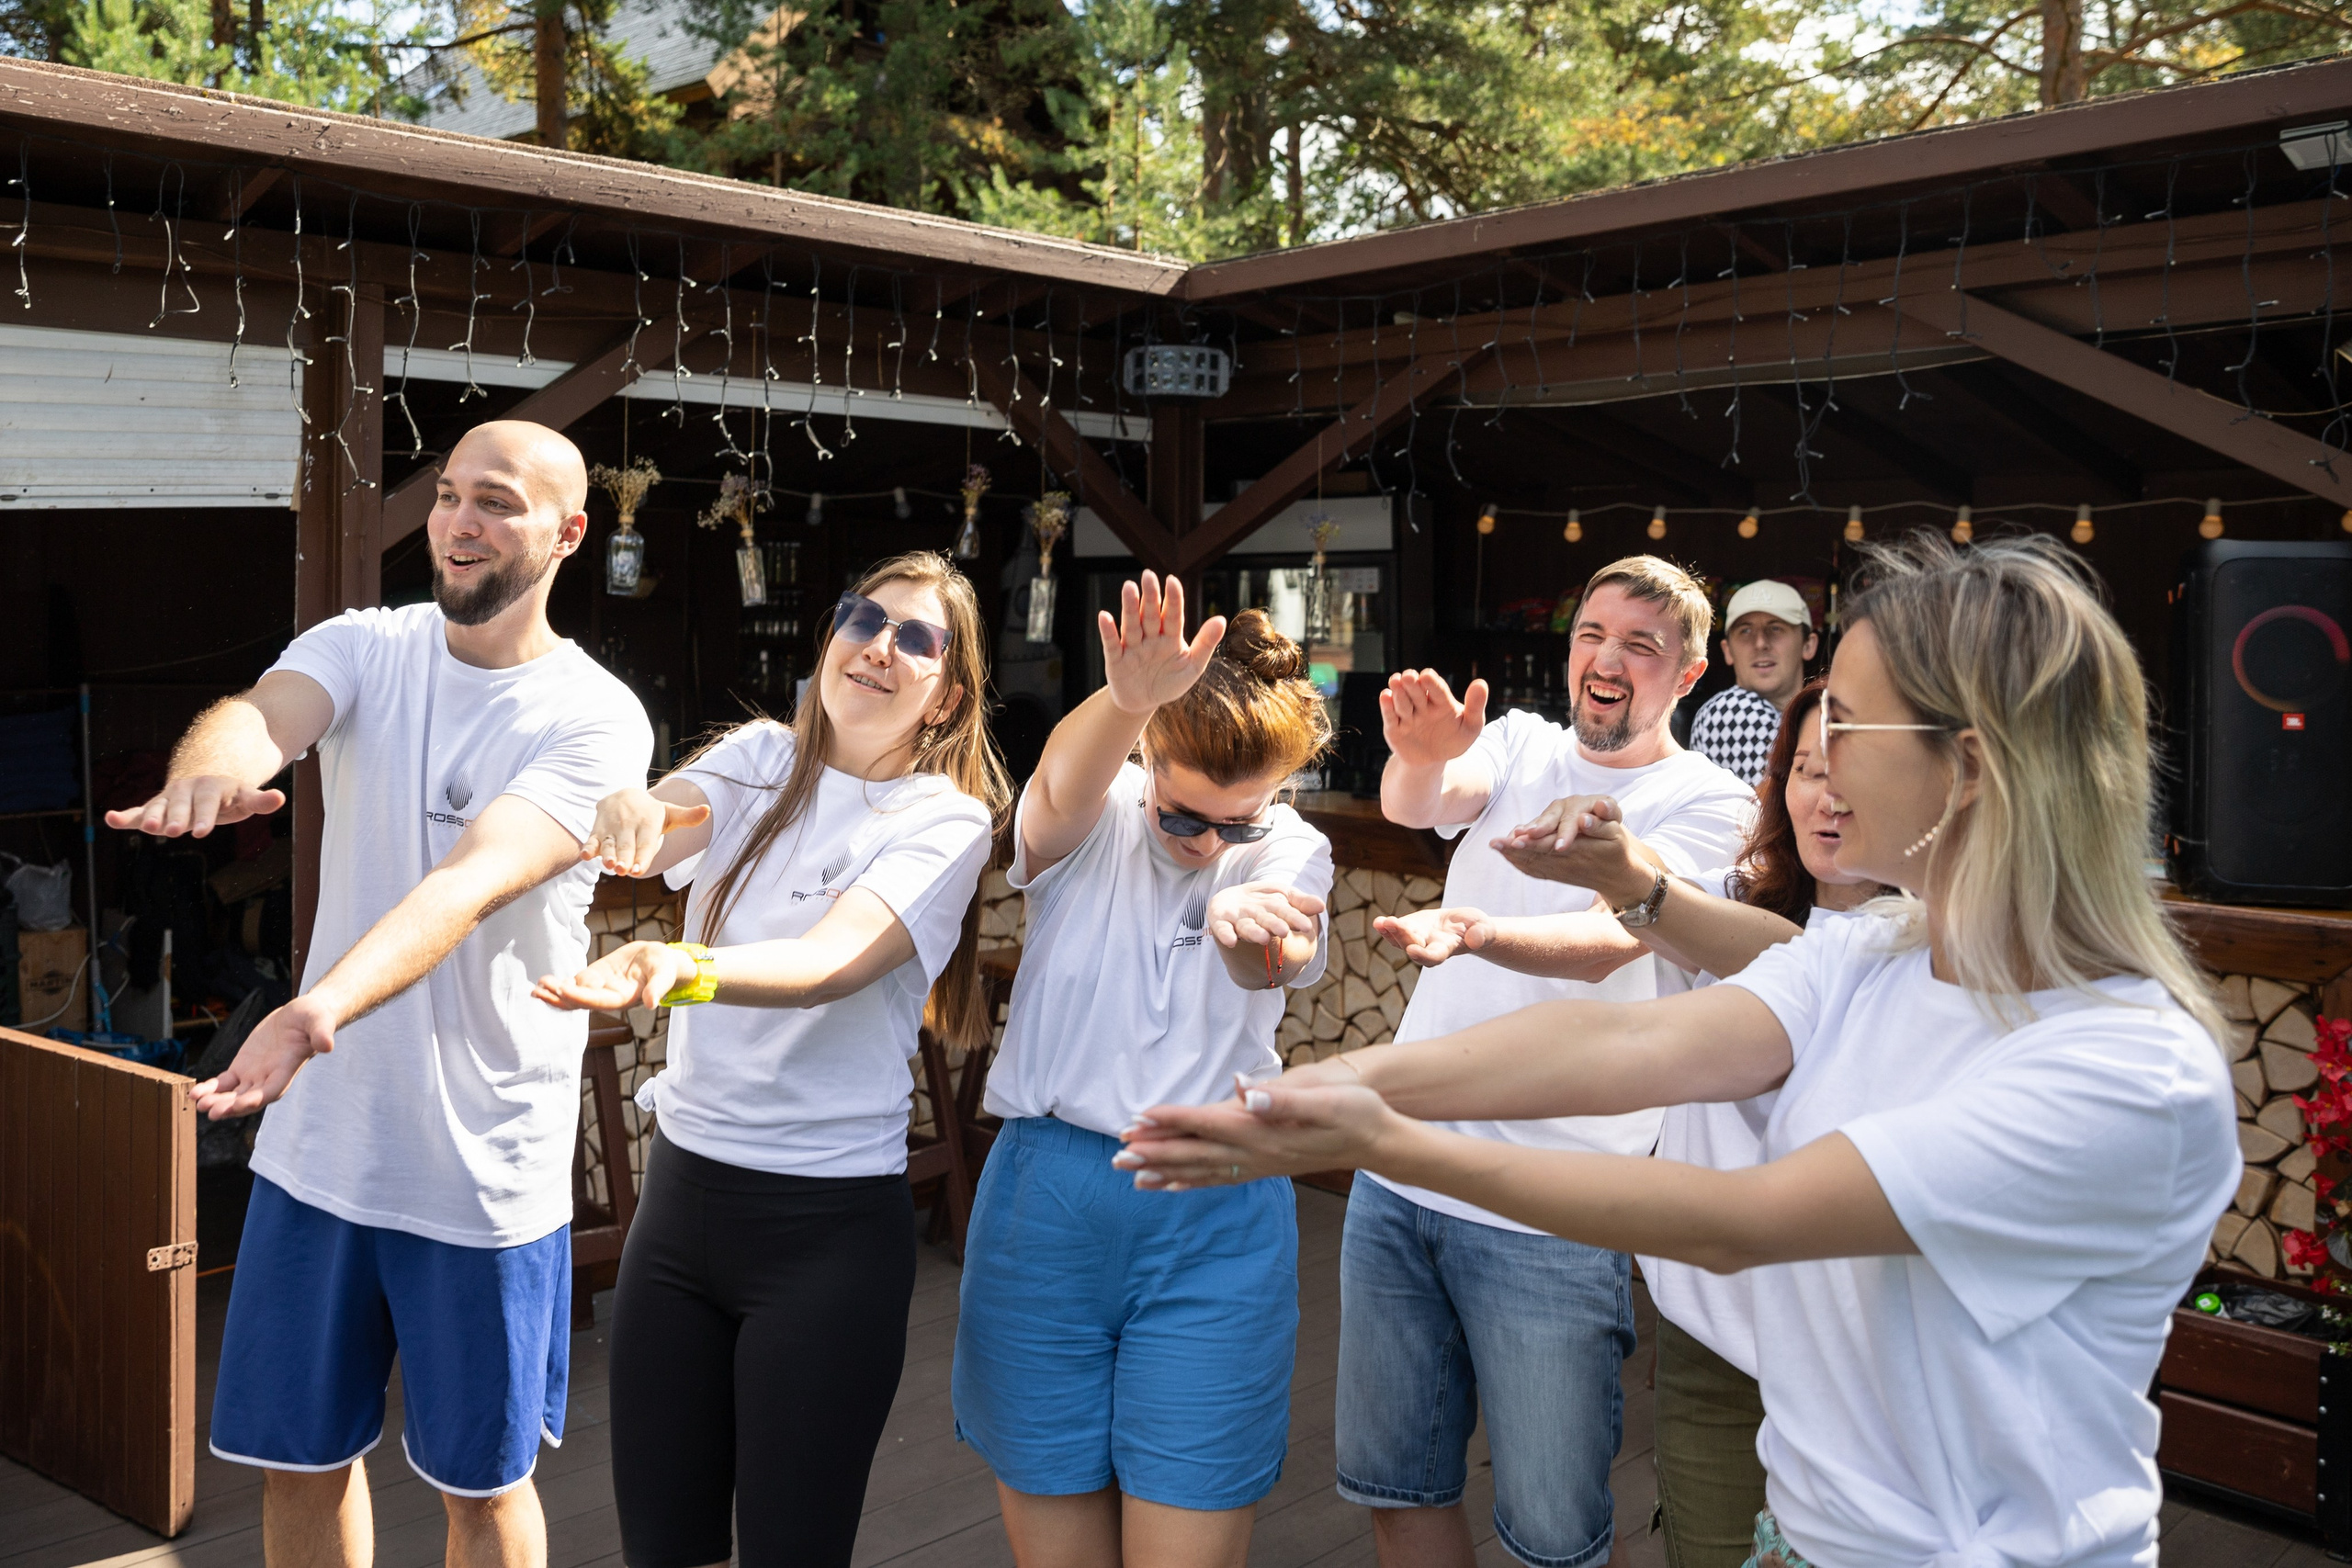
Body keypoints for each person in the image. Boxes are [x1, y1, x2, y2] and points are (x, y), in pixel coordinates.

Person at [1120, 534, 2241, 1568]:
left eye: (1844, 723)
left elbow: (1737, 1223)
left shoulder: (2122, 1067)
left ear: (1975, 762)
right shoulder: (1872, 951)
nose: (1811, 761)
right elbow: (1630, 1041)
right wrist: (1333, 1083)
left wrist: (1382, 1135)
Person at [105, 421, 652, 1568]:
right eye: (449, 495)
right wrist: (210, 775)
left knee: (482, 1491)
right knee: (298, 1460)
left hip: (479, 1169)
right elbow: (267, 711)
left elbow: (463, 886)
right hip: (323, 1154)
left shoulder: (595, 720)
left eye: (496, 502)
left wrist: (314, 1012)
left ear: (568, 532)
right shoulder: (368, 641)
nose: (459, 521)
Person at [532, 551, 1006, 1568]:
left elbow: (828, 963)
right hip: (681, 1209)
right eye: (862, 617)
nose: (879, 646)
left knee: (793, 1550)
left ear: (946, 697)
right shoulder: (753, 758)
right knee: (662, 1545)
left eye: (915, 639)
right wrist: (629, 808)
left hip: (826, 1234)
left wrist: (674, 966)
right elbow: (665, 825)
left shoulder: (945, 820)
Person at [1345, 555, 1754, 1568]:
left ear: (1687, 674)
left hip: (1558, 1206)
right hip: (1398, 1177)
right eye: (1592, 634)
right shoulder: (1521, 741)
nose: (1607, 659)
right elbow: (1420, 799)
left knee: (1553, 1532)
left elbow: (1623, 936)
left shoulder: (1712, 803)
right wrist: (1425, 755)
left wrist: (1479, 930)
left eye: (1640, 645)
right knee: (1397, 1488)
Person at [952, 572, 1334, 1568]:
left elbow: (1274, 951)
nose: (1208, 842)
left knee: (1192, 1520)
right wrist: (1126, 701)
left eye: (1235, 825)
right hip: (1050, 1196)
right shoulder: (1099, 815)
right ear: (1150, 766)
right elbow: (1059, 789)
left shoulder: (1291, 848)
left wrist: (1247, 934)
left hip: (1215, 1204)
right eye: (1183, 817)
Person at [1496, 678, 1885, 1568]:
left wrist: (1637, 884)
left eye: (1856, 771)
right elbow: (1660, 956)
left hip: (1866, 1356)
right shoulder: (1733, 887)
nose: (1826, 797)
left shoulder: (1934, 944)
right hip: (1715, 1343)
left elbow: (1808, 971)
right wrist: (1611, 864)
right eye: (1805, 770)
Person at [1688, 581, 1818, 784]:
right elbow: (1788, 807)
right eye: (1745, 631)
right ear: (1727, 651)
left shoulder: (1811, 715)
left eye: (1775, 628)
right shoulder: (1731, 710)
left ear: (1808, 644)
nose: (1760, 644)